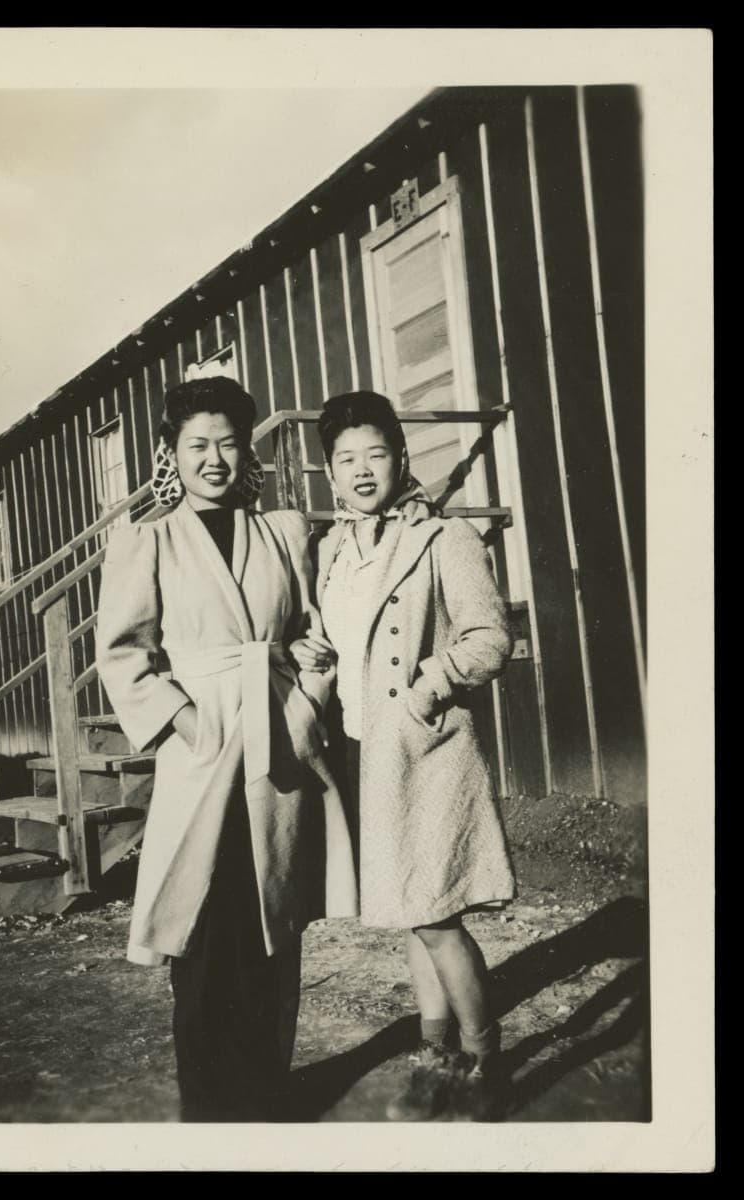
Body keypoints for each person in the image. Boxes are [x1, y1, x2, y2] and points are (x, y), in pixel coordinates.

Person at [95, 376, 357, 1123]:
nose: (214, 459)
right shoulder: (147, 540)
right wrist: (184, 720)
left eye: (229, 444)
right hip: (202, 752)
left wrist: (304, 704)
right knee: (204, 929)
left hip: (279, 748)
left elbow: (312, 633)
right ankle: (209, 1110)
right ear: (171, 454)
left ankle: (268, 1094)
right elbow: (123, 654)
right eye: (197, 445)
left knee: (275, 926)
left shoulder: (283, 532)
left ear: (248, 452)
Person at [291, 390, 516, 1121]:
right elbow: (339, 641)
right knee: (411, 909)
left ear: (402, 458)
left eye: (375, 454)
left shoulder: (444, 537)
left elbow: (490, 637)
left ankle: (485, 1063)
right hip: (364, 753)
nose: (361, 470)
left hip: (428, 749)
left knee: (435, 914)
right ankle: (436, 1051)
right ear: (330, 472)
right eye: (345, 459)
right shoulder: (331, 551)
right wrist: (313, 652)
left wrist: (428, 688)